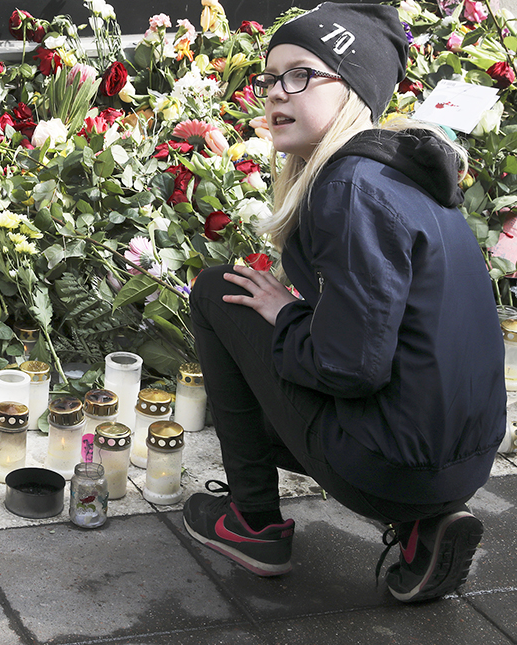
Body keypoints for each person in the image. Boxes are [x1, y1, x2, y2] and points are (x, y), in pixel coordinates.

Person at [183, 2, 505, 603]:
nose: (276, 93)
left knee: (216, 293)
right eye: (270, 78)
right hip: (462, 463)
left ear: (351, 89)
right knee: (261, 334)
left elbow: (348, 367)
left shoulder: (351, 189)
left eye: (300, 74)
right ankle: (422, 527)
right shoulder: (399, 173)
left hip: (387, 464)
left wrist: (285, 318)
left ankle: (253, 524)